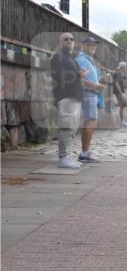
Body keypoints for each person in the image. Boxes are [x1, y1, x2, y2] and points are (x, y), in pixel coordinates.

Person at [51, 33, 84, 169]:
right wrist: (78, 75)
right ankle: (63, 158)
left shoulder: (70, 58)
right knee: (66, 128)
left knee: (72, 128)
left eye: (71, 39)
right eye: (66, 39)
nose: (69, 41)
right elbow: (59, 76)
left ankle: (66, 157)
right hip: (65, 97)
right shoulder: (58, 57)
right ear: (60, 42)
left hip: (74, 97)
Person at [75, 37, 103, 163]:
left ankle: (85, 152)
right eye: (90, 44)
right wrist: (95, 86)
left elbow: (88, 77)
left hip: (90, 93)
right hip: (88, 94)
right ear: (84, 45)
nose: (93, 47)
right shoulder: (82, 59)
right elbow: (81, 78)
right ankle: (84, 153)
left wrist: (100, 80)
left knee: (90, 122)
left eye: (94, 45)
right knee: (90, 122)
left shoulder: (88, 59)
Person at [113, 61, 127, 127]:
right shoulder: (118, 73)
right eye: (125, 66)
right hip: (119, 92)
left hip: (120, 92)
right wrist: (120, 92)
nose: (126, 68)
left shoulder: (120, 73)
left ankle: (123, 122)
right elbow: (116, 83)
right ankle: (115, 104)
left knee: (122, 106)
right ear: (122, 67)